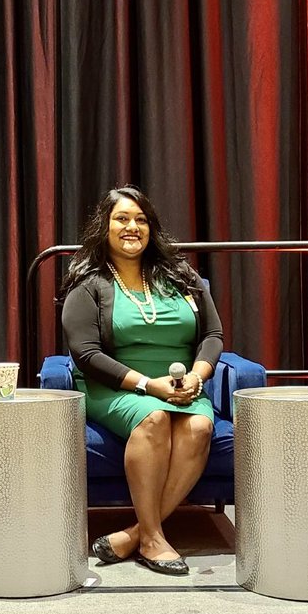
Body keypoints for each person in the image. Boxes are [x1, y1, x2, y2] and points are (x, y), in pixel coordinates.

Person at [60, 186, 221, 575]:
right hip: (114, 386)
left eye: (141, 219)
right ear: (105, 226)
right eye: (122, 219)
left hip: (184, 385)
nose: (132, 227)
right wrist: (150, 386)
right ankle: (150, 539)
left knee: (200, 425)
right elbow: (86, 354)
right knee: (154, 418)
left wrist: (197, 378)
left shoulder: (182, 276)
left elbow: (212, 335)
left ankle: (133, 534)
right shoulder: (88, 283)